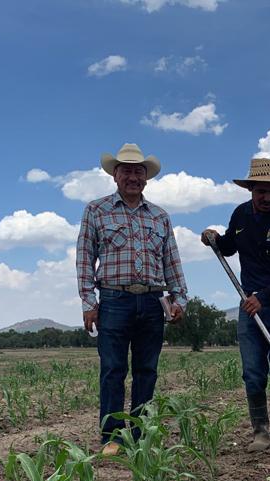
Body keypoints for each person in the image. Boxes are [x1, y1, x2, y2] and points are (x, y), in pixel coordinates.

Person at [76, 142, 186, 456]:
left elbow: (171, 261)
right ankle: (111, 438)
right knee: (112, 370)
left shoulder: (160, 217)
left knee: (146, 371)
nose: (133, 177)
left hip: (152, 302)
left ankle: (140, 436)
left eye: (139, 171)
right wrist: (88, 303)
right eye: (126, 171)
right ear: (115, 175)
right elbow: (85, 258)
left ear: (146, 177)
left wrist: (179, 299)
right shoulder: (97, 210)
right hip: (113, 301)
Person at [201, 158, 270, 457]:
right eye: (261, 191)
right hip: (249, 303)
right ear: (250, 189)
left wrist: (265, 297)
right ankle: (260, 432)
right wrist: (213, 239)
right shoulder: (241, 215)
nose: (267, 198)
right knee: (252, 372)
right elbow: (229, 247)